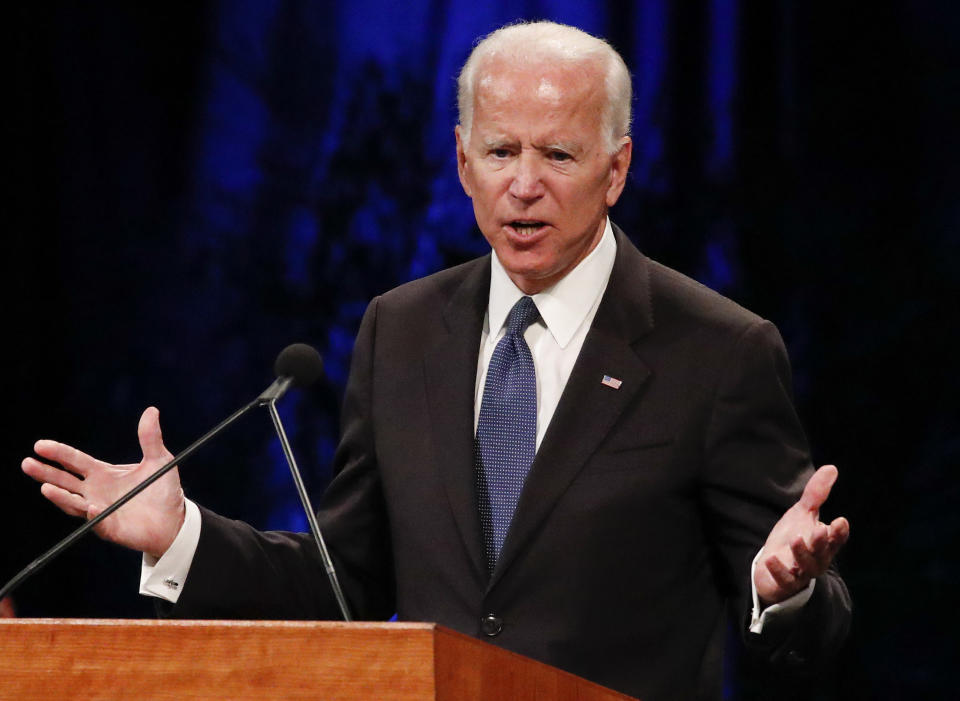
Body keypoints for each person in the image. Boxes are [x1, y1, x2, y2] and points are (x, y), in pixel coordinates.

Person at [22, 21, 850, 701]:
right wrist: (182, 537)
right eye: (500, 153)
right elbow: (348, 580)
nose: (524, 184)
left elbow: (810, 613)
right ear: (462, 162)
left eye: (558, 155)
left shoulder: (717, 350)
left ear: (616, 169)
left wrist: (789, 590)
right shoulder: (404, 329)